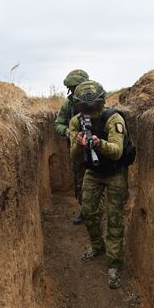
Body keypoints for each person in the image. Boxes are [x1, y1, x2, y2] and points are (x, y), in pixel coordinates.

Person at [68, 80, 133, 289]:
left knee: (114, 219)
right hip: (93, 172)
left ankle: (114, 264)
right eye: (85, 109)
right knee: (87, 212)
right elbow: (74, 156)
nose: (90, 112)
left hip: (115, 172)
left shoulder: (113, 118)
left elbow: (117, 151)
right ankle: (97, 245)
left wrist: (99, 143)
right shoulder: (77, 122)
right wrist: (80, 144)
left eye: (93, 108)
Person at [54, 69, 89, 225]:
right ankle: (85, 212)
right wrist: (69, 131)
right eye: (74, 88)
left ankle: (97, 211)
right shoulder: (68, 104)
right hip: (78, 151)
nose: (76, 91)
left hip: (96, 147)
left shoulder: (96, 101)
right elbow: (58, 125)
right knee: (80, 182)